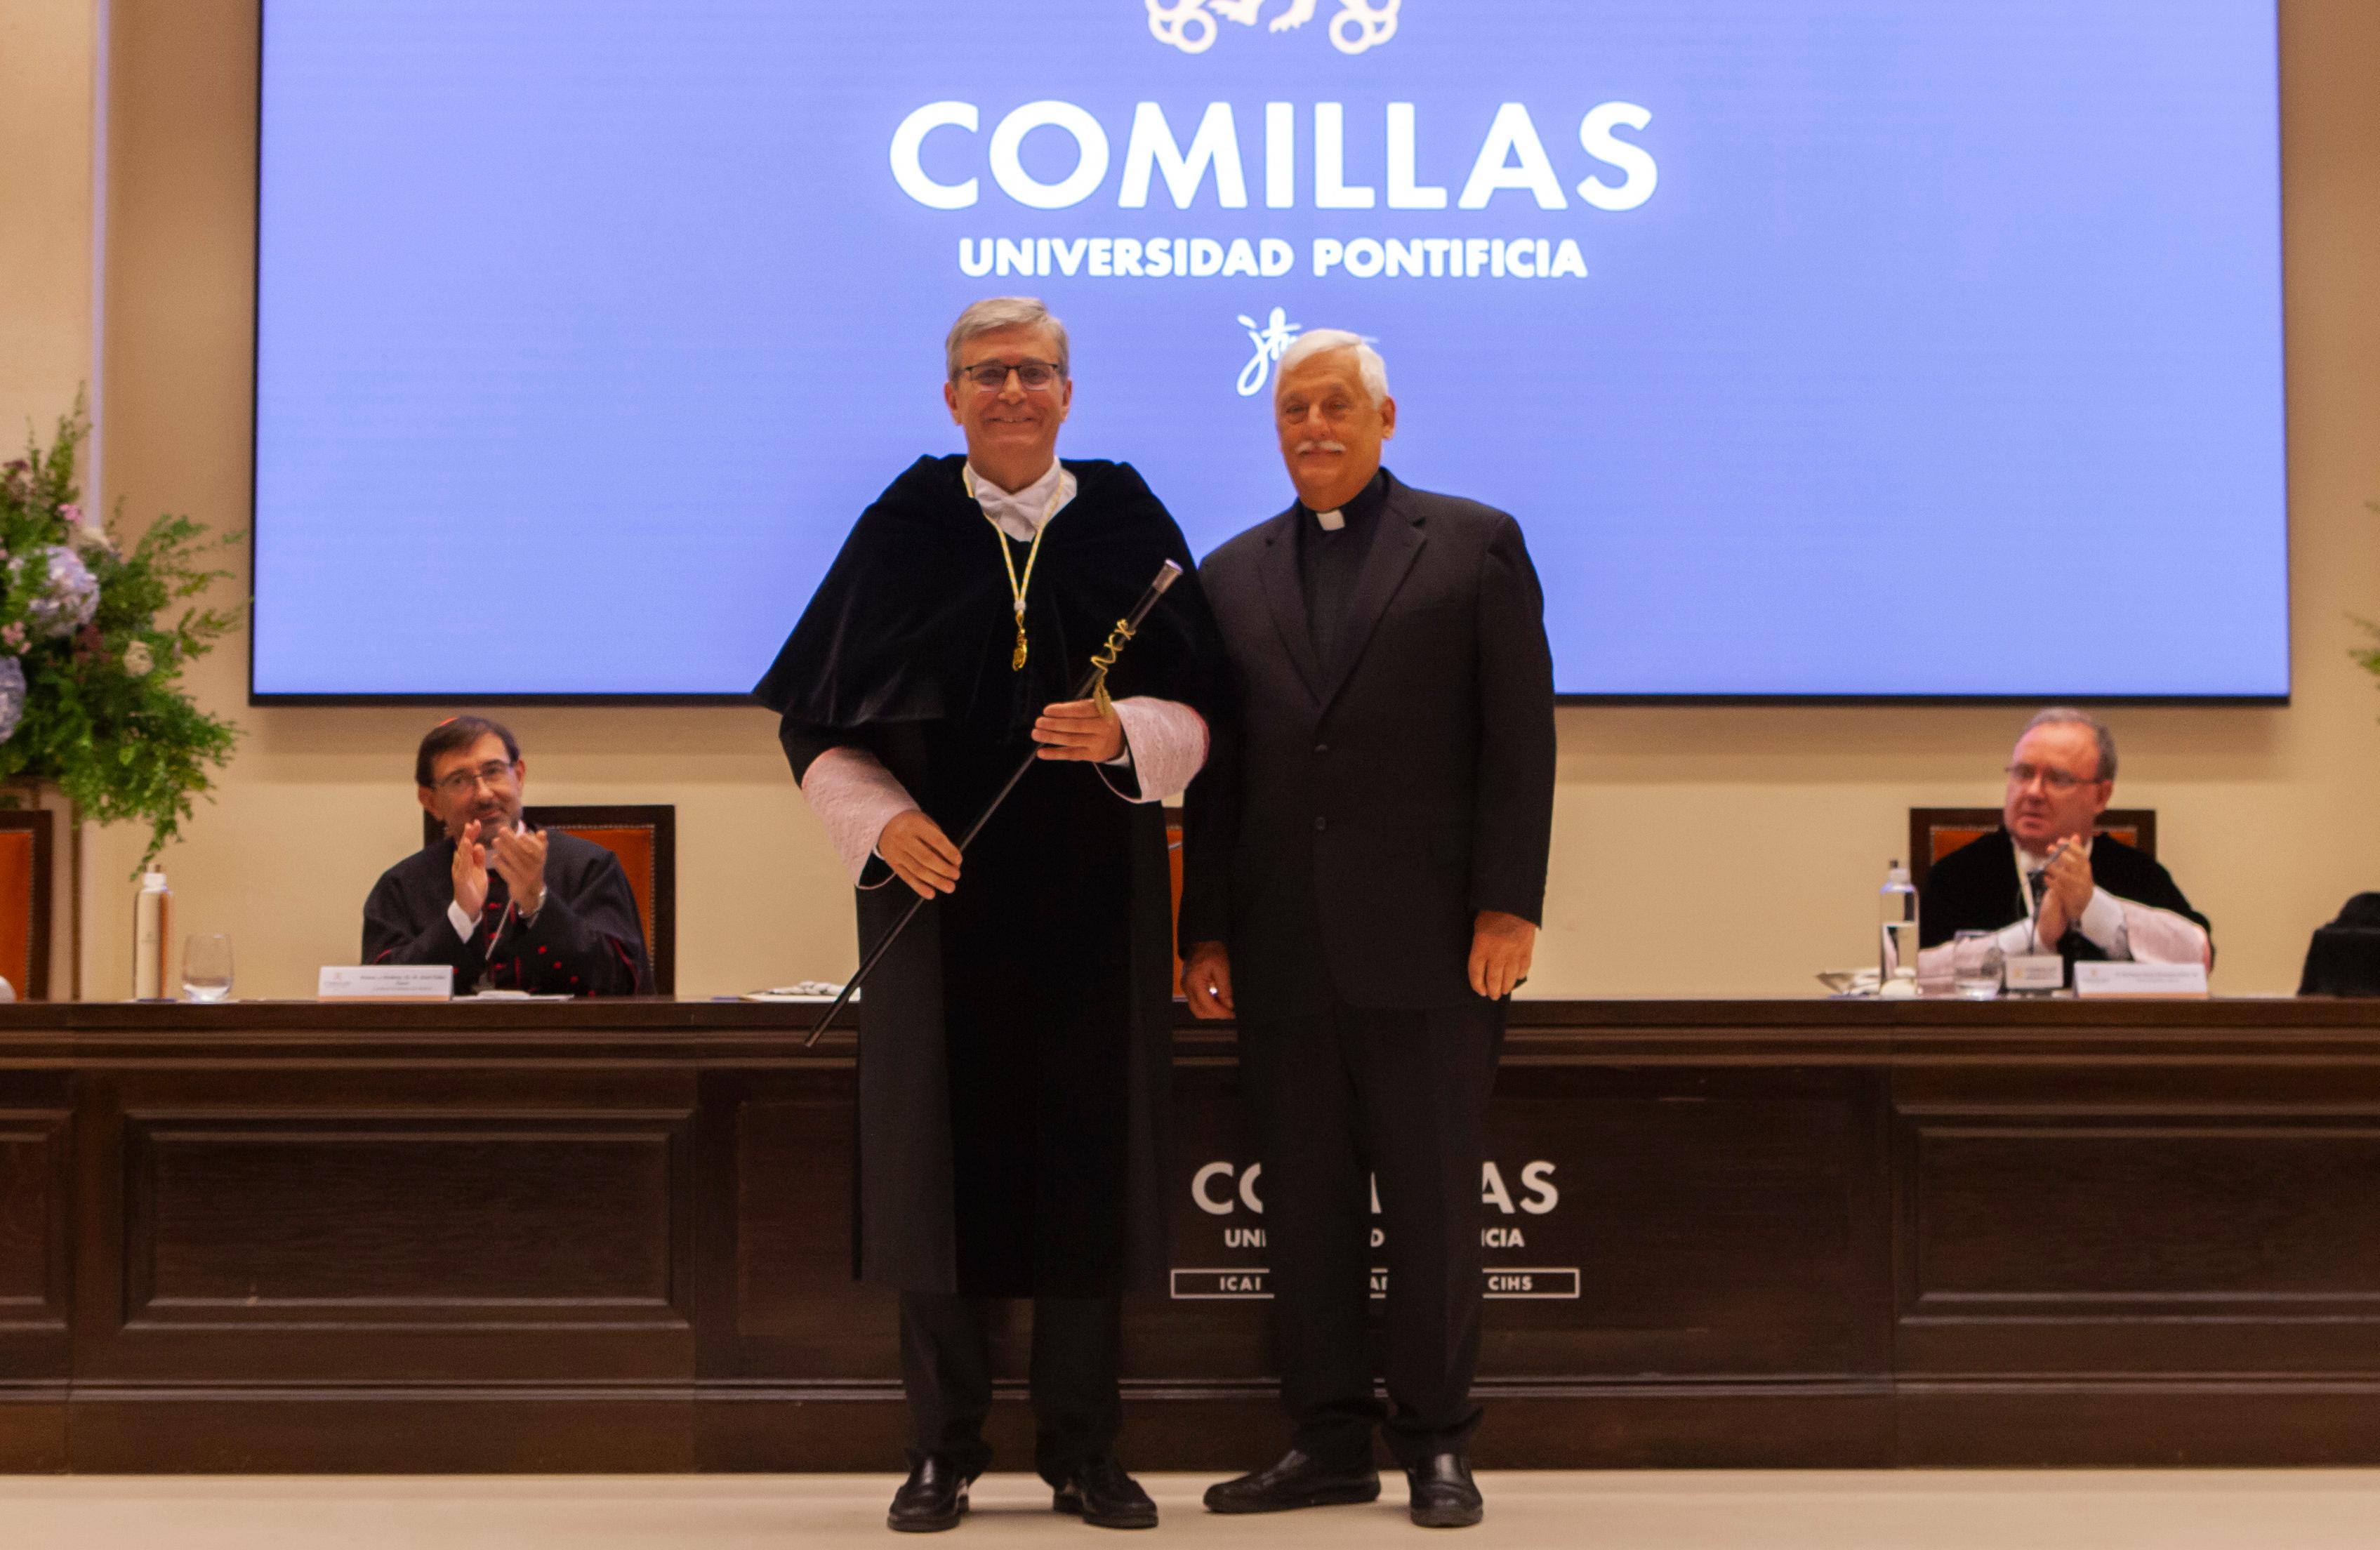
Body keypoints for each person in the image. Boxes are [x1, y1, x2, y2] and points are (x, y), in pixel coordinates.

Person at [753, 298, 1222, 1534]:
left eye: (1032, 370)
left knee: (1090, 1165)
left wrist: (1129, 729)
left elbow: (1208, 709)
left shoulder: (1129, 522)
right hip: (936, 902)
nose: (1010, 390)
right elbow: (817, 724)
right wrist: (880, 820)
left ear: (1069, 391)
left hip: (1093, 905)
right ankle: (940, 1449)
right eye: (985, 372)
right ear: (949, 397)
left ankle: (1085, 1449)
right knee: (932, 1173)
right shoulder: (902, 528)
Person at [1179, 330, 1556, 1530]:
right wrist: (1207, 931)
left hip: (1437, 943)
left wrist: (1511, 899)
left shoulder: (1476, 542)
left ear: (1387, 420)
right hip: (1283, 948)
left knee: (1438, 1201)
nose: (1313, 425)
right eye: (1293, 407)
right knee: (1304, 1202)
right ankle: (1327, 1438)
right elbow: (1220, 777)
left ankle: (1438, 1441)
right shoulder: (1232, 573)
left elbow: (1520, 740)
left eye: (1337, 404)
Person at [362, 715, 652, 995]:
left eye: (493, 771)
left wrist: (536, 902)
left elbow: (626, 983)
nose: (484, 794)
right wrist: (461, 917)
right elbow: (379, 993)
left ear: (520, 777)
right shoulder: (401, 885)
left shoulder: (590, 867)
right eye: (459, 781)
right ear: (431, 801)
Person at [1919, 707, 2211, 978]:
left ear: (2101, 796)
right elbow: (1912, 974)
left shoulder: (2136, 873)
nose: (2033, 792)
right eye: (2023, 773)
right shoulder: (1959, 874)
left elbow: (2199, 958)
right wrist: (2033, 936)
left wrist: (2094, 908)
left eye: (2057, 779)